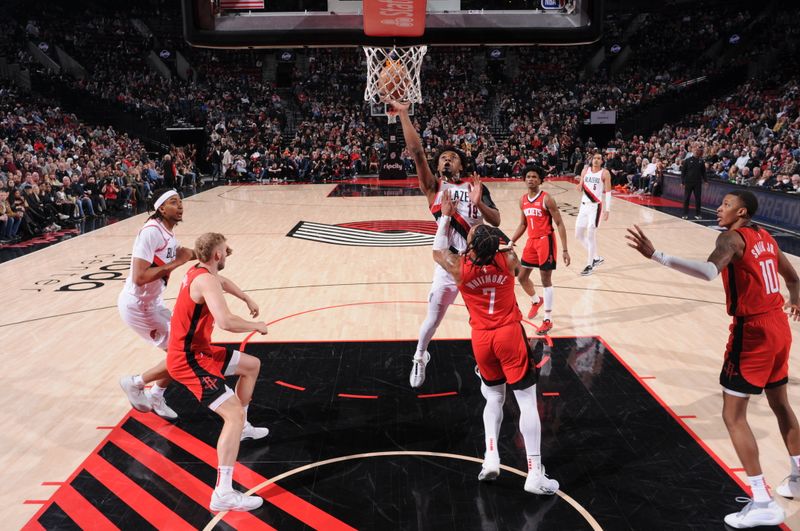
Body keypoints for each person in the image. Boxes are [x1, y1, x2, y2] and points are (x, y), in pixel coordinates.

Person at [626, 190, 800, 528]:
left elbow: (708, 272)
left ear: (742, 212)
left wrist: (657, 255)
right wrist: (796, 301)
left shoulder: (731, 239)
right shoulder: (766, 237)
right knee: (780, 404)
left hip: (752, 333)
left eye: (726, 205)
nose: (719, 209)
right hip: (779, 326)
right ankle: (797, 475)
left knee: (733, 415)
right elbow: (794, 279)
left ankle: (762, 501)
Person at [432, 197, 559, 495]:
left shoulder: (459, 267)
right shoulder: (509, 261)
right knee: (527, 402)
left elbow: (438, 251)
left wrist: (447, 218)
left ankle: (491, 457)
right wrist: (493, 241)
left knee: (493, 399)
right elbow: (507, 247)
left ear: (473, 248)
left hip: (481, 340)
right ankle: (534, 474)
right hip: (509, 335)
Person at [393, 101, 501, 388]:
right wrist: (404, 113)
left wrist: (481, 205)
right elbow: (416, 152)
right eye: (442, 158)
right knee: (433, 319)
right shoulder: (433, 188)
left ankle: (486, 364)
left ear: (461, 165)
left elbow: (497, 221)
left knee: (482, 321)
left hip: (477, 263)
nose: (445, 160)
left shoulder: (475, 187)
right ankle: (419, 355)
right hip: (448, 263)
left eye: (451, 157)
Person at [166, 232, 270, 512]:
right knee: (231, 414)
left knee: (251, 366)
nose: (228, 252)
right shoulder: (204, 279)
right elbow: (225, 321)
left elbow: (223, 283)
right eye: (226, 250)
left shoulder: (199, 271)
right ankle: (223, 492)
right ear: (217, 255)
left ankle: (244, 429)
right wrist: (255, 325)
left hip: (202, 351)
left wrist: (246, 297)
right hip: (189, 358)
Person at [118, 189, 195, 419]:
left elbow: (183, 252)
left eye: (180, 202)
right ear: (161, 208)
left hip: (152, 302)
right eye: (173, 202)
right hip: (138, 306)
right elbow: (139, 276)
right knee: (181, 351)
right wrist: (176, 263)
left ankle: (155, 394)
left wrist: (212, 252)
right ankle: (136, 383)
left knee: (182, 349)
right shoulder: (151, 231)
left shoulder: (168, 233)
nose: (180, 206)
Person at [509, 166, 571, 335]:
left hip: (546, 241)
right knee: (521, 277)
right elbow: (523, 224)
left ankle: (548, 319)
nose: (531, 179)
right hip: (531, 241)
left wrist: (565, 250)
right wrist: (511, 241)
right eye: (528, 176)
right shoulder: (522, 200)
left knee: (545, 279)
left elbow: (559, 223)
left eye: (534, 177)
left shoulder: (547, 199)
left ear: (540, 180)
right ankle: (536, 300)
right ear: (524, 179)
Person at [575, 152, 612, 276]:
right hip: (583, 206)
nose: (596, 160)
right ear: (591, 159)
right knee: (578, 234)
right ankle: (596, 257)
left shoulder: (605, 173)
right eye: (594, 158)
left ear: (602, 161)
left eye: (599, 158)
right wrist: (579, 186)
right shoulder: (585, 170)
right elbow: (581, 185)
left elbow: (608, 192)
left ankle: (590, 265)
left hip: (596, 207)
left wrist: (607, 210)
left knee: (591, 235)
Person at [681, 143, 707, 220]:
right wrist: (682, 182)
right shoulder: (687, 160)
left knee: (698, 199)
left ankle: (698, 214)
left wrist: (705, 181)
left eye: (698, 150)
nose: (696, 151)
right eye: (695, 150)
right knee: (686, 199)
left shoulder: (701, 161)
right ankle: (685, 214)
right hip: (688, 182)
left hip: (698, 183)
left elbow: (704, 172)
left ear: (699, 152)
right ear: (692, 150)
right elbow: (683, 172)